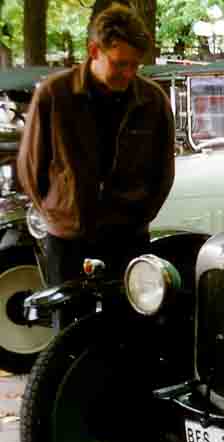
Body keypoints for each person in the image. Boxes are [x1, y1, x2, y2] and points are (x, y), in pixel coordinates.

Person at [18, 5, 175, 325]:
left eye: (135, 65)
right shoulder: (54, 95)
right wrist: (60, 214)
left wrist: (137, 216)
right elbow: (31, 167)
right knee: (69, 337)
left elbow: (163, 172)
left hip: (128, 238)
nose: (129, 73)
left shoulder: (153, 101)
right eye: (120, 64)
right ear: (94, 51)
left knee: (129, 331)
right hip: (68, 242)